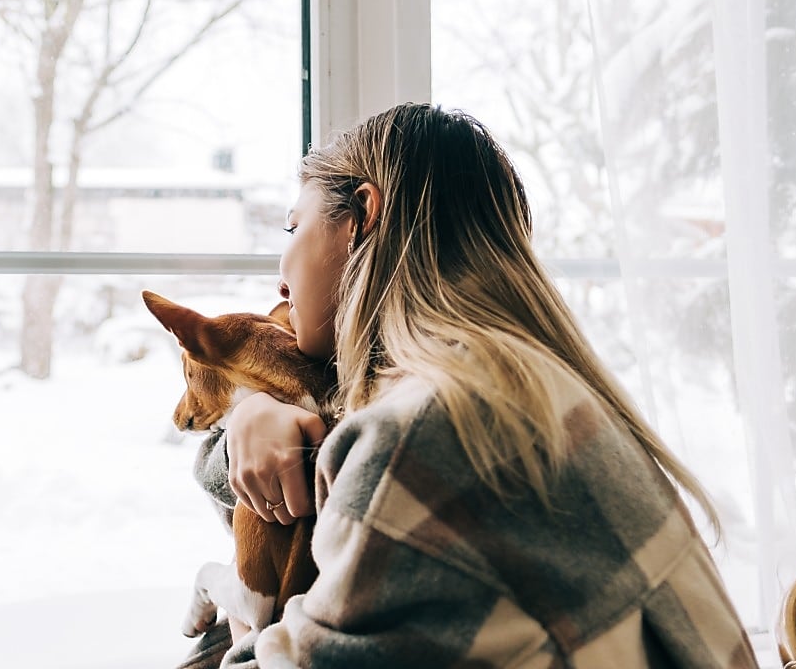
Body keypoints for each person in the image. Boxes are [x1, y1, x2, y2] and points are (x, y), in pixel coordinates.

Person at [186, 103, 757, 668]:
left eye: (293, 226)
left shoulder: (419, 440)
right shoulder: (525, 391)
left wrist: (243, 624)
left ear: (362, 216)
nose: (278, 279)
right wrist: (253, 413)